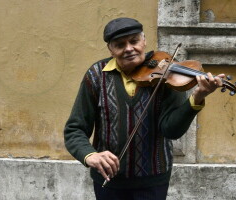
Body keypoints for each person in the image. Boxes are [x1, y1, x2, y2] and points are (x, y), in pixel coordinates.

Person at [64, 17, 224, 200]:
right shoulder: (95, 75)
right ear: (110, 49)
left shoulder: (167, 74)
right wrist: (89, 155)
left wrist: (198, 97)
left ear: (144, 40)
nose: (129, 49)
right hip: (108, 181)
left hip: (153, 181)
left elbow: (171, 131)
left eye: (134, 41)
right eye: (120, 44)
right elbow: (74, 129)